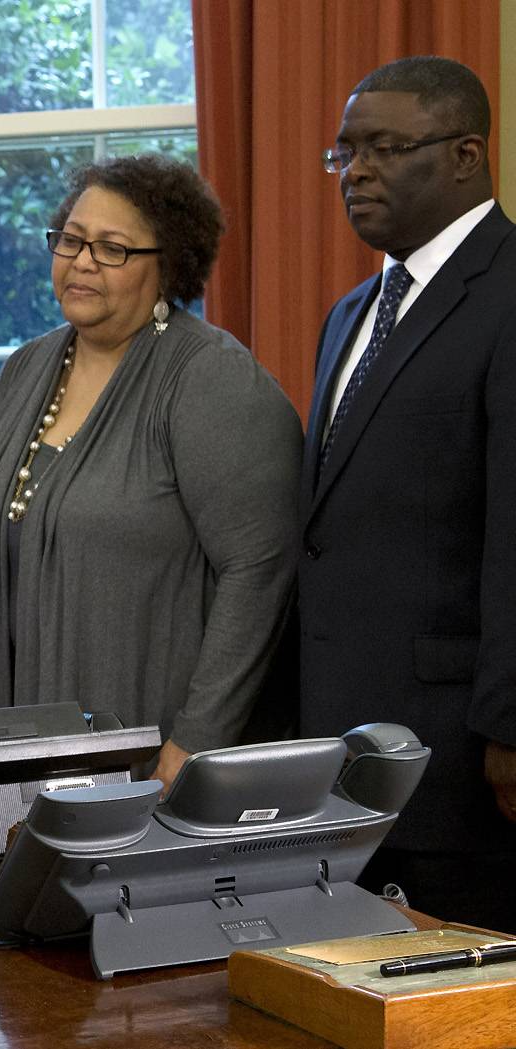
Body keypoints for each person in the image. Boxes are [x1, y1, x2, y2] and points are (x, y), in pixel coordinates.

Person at [0, 154, 301, 789]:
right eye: (71, 240)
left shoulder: (211, 380)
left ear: (169, 266)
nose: (81, 261)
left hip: (144, 760)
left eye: (112, 249)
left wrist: (195, 742)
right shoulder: (25, 369)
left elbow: (258, 574)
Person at [298, 56, 516, 931]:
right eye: (345, 152)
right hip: (340, 765)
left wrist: (511, 726)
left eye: (387, 148)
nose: (357, 172)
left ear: (466, 154)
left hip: (464, 762)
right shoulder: (352, 312)